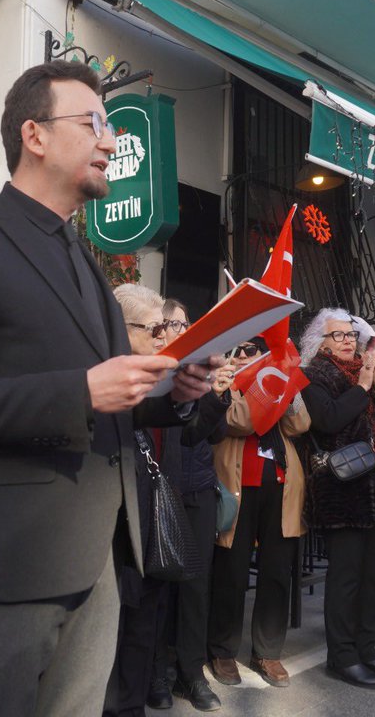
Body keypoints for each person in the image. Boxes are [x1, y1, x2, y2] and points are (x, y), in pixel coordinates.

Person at [0, 60, 214, 716]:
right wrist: (79, 391)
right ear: (34, 135)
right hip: (5, 560)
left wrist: (174, 393)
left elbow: (107, 391)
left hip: (97, 554)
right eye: (94, 124)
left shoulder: (82, 256)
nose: (110, 141)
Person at [300, 308, 375, 691]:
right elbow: (327, 420)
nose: (348, 340)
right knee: (346, 579)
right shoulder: (314, 375)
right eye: (338, 335)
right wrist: (362, 388)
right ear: (320, 342)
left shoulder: (371, 374)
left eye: (350, 334)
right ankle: (342, 657)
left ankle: (367, 650)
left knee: (372, 577)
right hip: (342, 493)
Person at [105, 284, 193, 717]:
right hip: (116, 532)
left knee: (145, 626)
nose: (163, 338)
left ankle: (134, 704)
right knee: (113, 633)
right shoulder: (105, 381)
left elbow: (194, 433)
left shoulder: (166, 378)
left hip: (156, 523)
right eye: (154, 329)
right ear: (121, 330)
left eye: (167, 327)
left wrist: (197, 392)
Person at [207, 335, 309, 689]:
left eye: (259, 351)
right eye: (246, 350)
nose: (252, 356)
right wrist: (262, 387)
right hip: (238, 486)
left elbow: (299, 425)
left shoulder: (276, 382)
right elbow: (240, 422)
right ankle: (222, 649)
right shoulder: (227, 383)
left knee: (276, 571)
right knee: (231, 570)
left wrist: (288, 383)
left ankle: (267, 651)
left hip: (280, 484)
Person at [148, 297, 229, 713]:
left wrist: (217, 396)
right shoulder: (157, 373)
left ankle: (192, 672)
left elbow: (206, 436)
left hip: (196, 487)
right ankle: (158, 670)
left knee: (196, 586)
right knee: (159, 586)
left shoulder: (198, 374)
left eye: (185, 324)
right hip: (159, 488)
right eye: (173, 325)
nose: (181, 331)